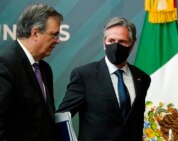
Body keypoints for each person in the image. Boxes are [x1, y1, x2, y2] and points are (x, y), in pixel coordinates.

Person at [57, 17, 151, 141]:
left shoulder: (142, 78)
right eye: (111, 40)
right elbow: (62, 118)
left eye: (122, 41)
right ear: (104, 43)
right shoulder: (84, 75)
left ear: (132, 45)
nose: (116, 45)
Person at [0, 3, 63, 141]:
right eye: (54, 35)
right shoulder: (6, 64)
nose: (57, 41)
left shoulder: (45, 69)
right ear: (35, 33)